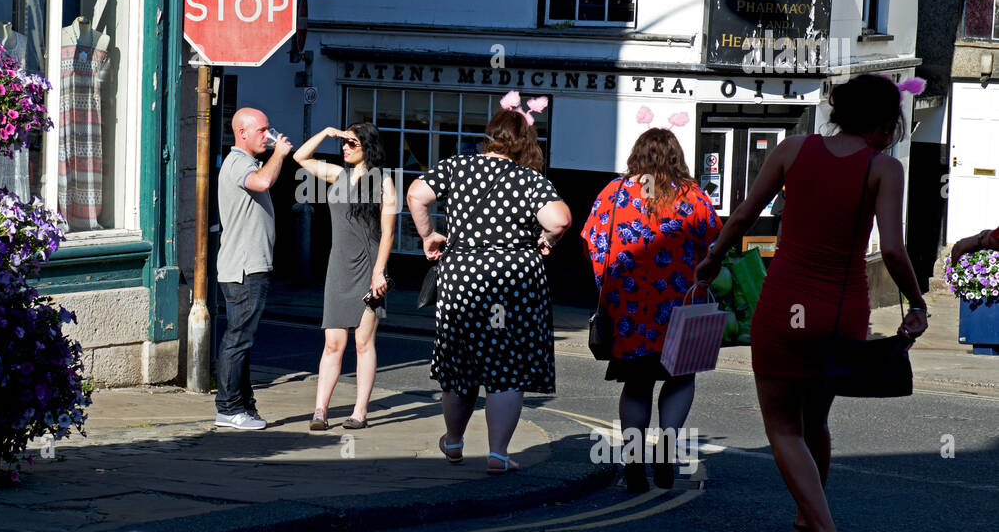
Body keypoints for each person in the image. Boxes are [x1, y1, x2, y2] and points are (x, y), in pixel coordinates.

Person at [694, 74, 929, 532]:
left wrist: (712, 260)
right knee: (816, 423)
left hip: (785, 307)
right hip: (840, 314)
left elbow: (743, 215)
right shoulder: (883, 168)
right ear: (886, 123)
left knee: (782, 427)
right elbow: (892, 249)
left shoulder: (792, 150)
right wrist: (916, 301)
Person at [406, 93, 572, 474]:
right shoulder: (528, 178)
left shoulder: (456, 167)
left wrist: (429, 235)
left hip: (461, 275)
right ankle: (498, 453)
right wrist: (546, 241)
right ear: (524, 143)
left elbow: (416, 193)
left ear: (489, 136)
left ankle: (454, 441)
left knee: (460, 364)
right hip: (512, 280)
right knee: (507, 367)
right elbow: (560, 220)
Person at [580, 128, 721, 493]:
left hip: (629, 313)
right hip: (680, 309)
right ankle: (667, 450)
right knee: (680, 378)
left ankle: (633, 463)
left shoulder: (613, 194)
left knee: (637, 384)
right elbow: (715, 249)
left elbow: (593, 244)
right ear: (676, 156)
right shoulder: (693, 197)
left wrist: (610, 288)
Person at [294, 123, 397, 430]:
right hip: (338, 267)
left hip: (369, 268)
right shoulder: (337, 175)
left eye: (352, 143)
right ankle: (320, 412)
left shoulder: (383, 182)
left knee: (364, 343)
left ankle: (359, 412)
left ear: (368, 146)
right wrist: (327, 133)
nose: (345, 148)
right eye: (345, 143)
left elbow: (389, 232)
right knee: (332, 344)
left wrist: (379, 271)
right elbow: (300, 157)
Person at [215, 108, 292, 431]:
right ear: (242, 133)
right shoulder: (238, 164)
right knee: (238, 339)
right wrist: (281, 155)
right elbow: (261, 182)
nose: (268, 135)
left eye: (268, 128)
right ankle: (229, 407)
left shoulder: (245, 162)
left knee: (242, 339)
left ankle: (243, 405)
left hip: (249, 265)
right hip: (245, 267)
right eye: (262, 130)